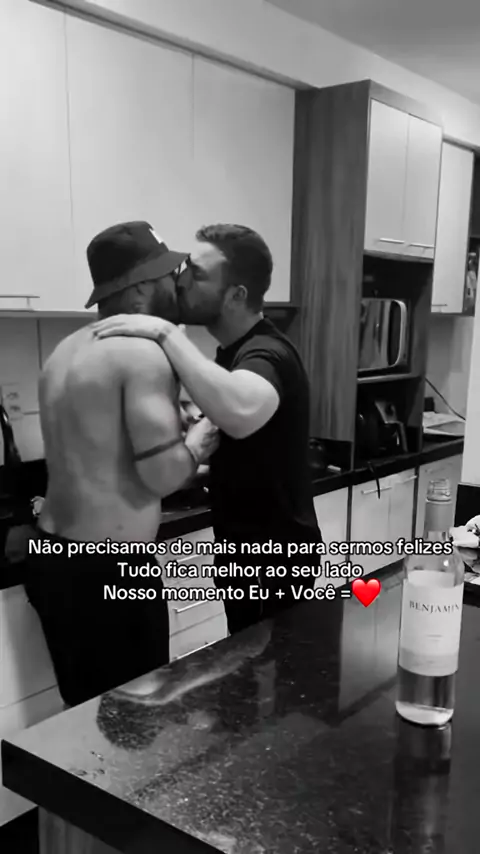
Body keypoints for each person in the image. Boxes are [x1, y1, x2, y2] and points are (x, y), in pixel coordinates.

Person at [93, 223, 322, 635]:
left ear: (236, 295)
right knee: (248, 668)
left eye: (196, 274)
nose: (181, 281)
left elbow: (241, 410)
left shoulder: (267, 352)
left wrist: (165, 333)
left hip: (274, 563)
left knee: (275, 672)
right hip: (244, 556)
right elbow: (237, 449)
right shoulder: (230, 355)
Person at [25, 221, 218, 707]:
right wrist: (199, 442)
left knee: (82, 715)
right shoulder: (142, 354)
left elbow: (101, 451)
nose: (176, 283)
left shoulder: (64, 351)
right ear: (138, 289)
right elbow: (163, 475)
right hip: (109, 570)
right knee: (137, 720)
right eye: (167, 274)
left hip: (51, 560)